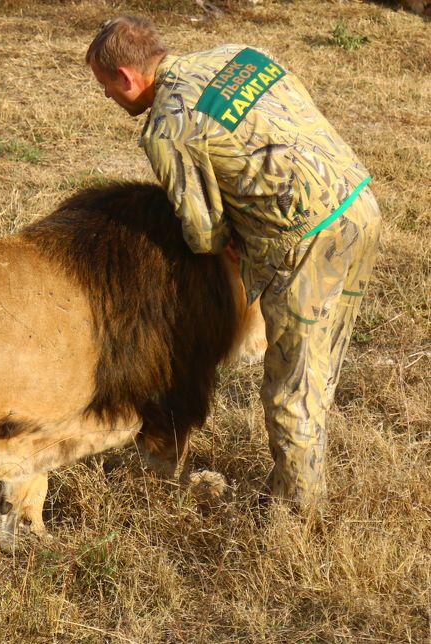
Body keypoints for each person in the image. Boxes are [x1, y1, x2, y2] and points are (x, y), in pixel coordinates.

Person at [85, 16, 382, 512]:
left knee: (291, 388)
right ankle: (303, 477)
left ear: (126, 77)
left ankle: (297, 517)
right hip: (359, 206)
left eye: (105, 88)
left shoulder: (167, 129)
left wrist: (226, 237)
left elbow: (202, 233)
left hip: (306, 243)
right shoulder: (240, 55)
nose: (109, 99)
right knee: (318, 369)